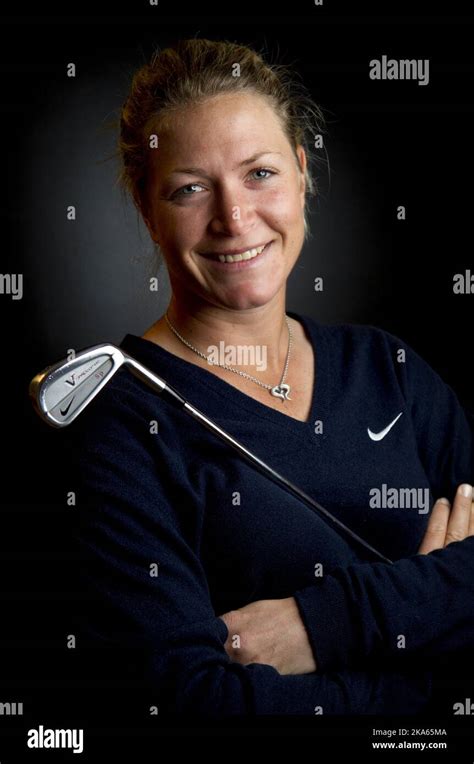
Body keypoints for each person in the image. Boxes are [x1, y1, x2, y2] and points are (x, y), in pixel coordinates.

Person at [70, 37, 474, 716]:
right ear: (148, 212)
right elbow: (195, 702)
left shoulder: (390, 371)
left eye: (260, 173)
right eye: (190, 189)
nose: (233, 218)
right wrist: (431, 633)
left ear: (301, 172)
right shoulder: (119, 427)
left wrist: (322, 624)